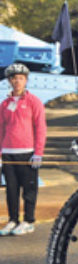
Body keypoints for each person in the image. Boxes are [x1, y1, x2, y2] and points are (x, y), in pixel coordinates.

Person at [0, 64, 46, 236]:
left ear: (25, 80)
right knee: (11, 189)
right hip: (8, 152)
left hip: (27, 152)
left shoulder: (34, 101)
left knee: (29, 189)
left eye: (20, 78)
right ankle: (13, 220)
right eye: (13, 78)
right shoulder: (4, 104)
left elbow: (40, 127)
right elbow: (1, 129)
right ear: (9, 81)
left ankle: (28, 221)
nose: (17, 81)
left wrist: (38, 152)